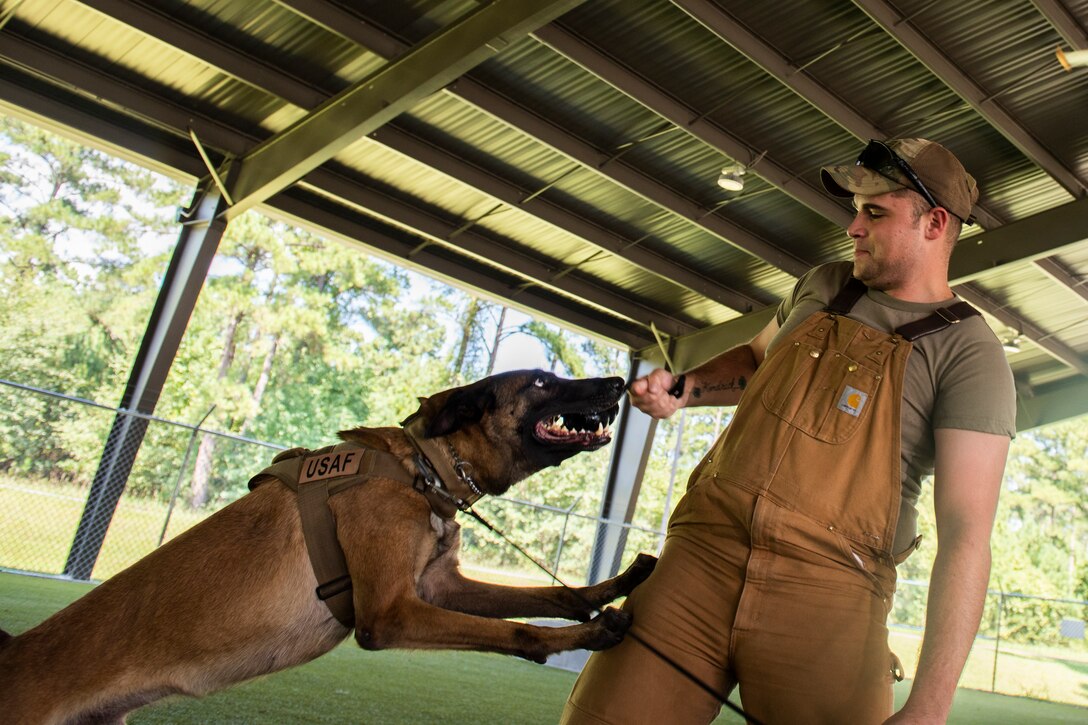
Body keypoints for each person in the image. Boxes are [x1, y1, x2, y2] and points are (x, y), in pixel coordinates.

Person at [561, 138, 1016, 724]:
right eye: (855, 209)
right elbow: (756, 360)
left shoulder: (970, 354)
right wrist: (684, 389)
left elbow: (966, 538)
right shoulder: (824, 286)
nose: (853, 227)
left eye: (874, 213)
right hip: (699, 555)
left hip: (831, 590)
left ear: (934, 224)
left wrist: (930, 707)